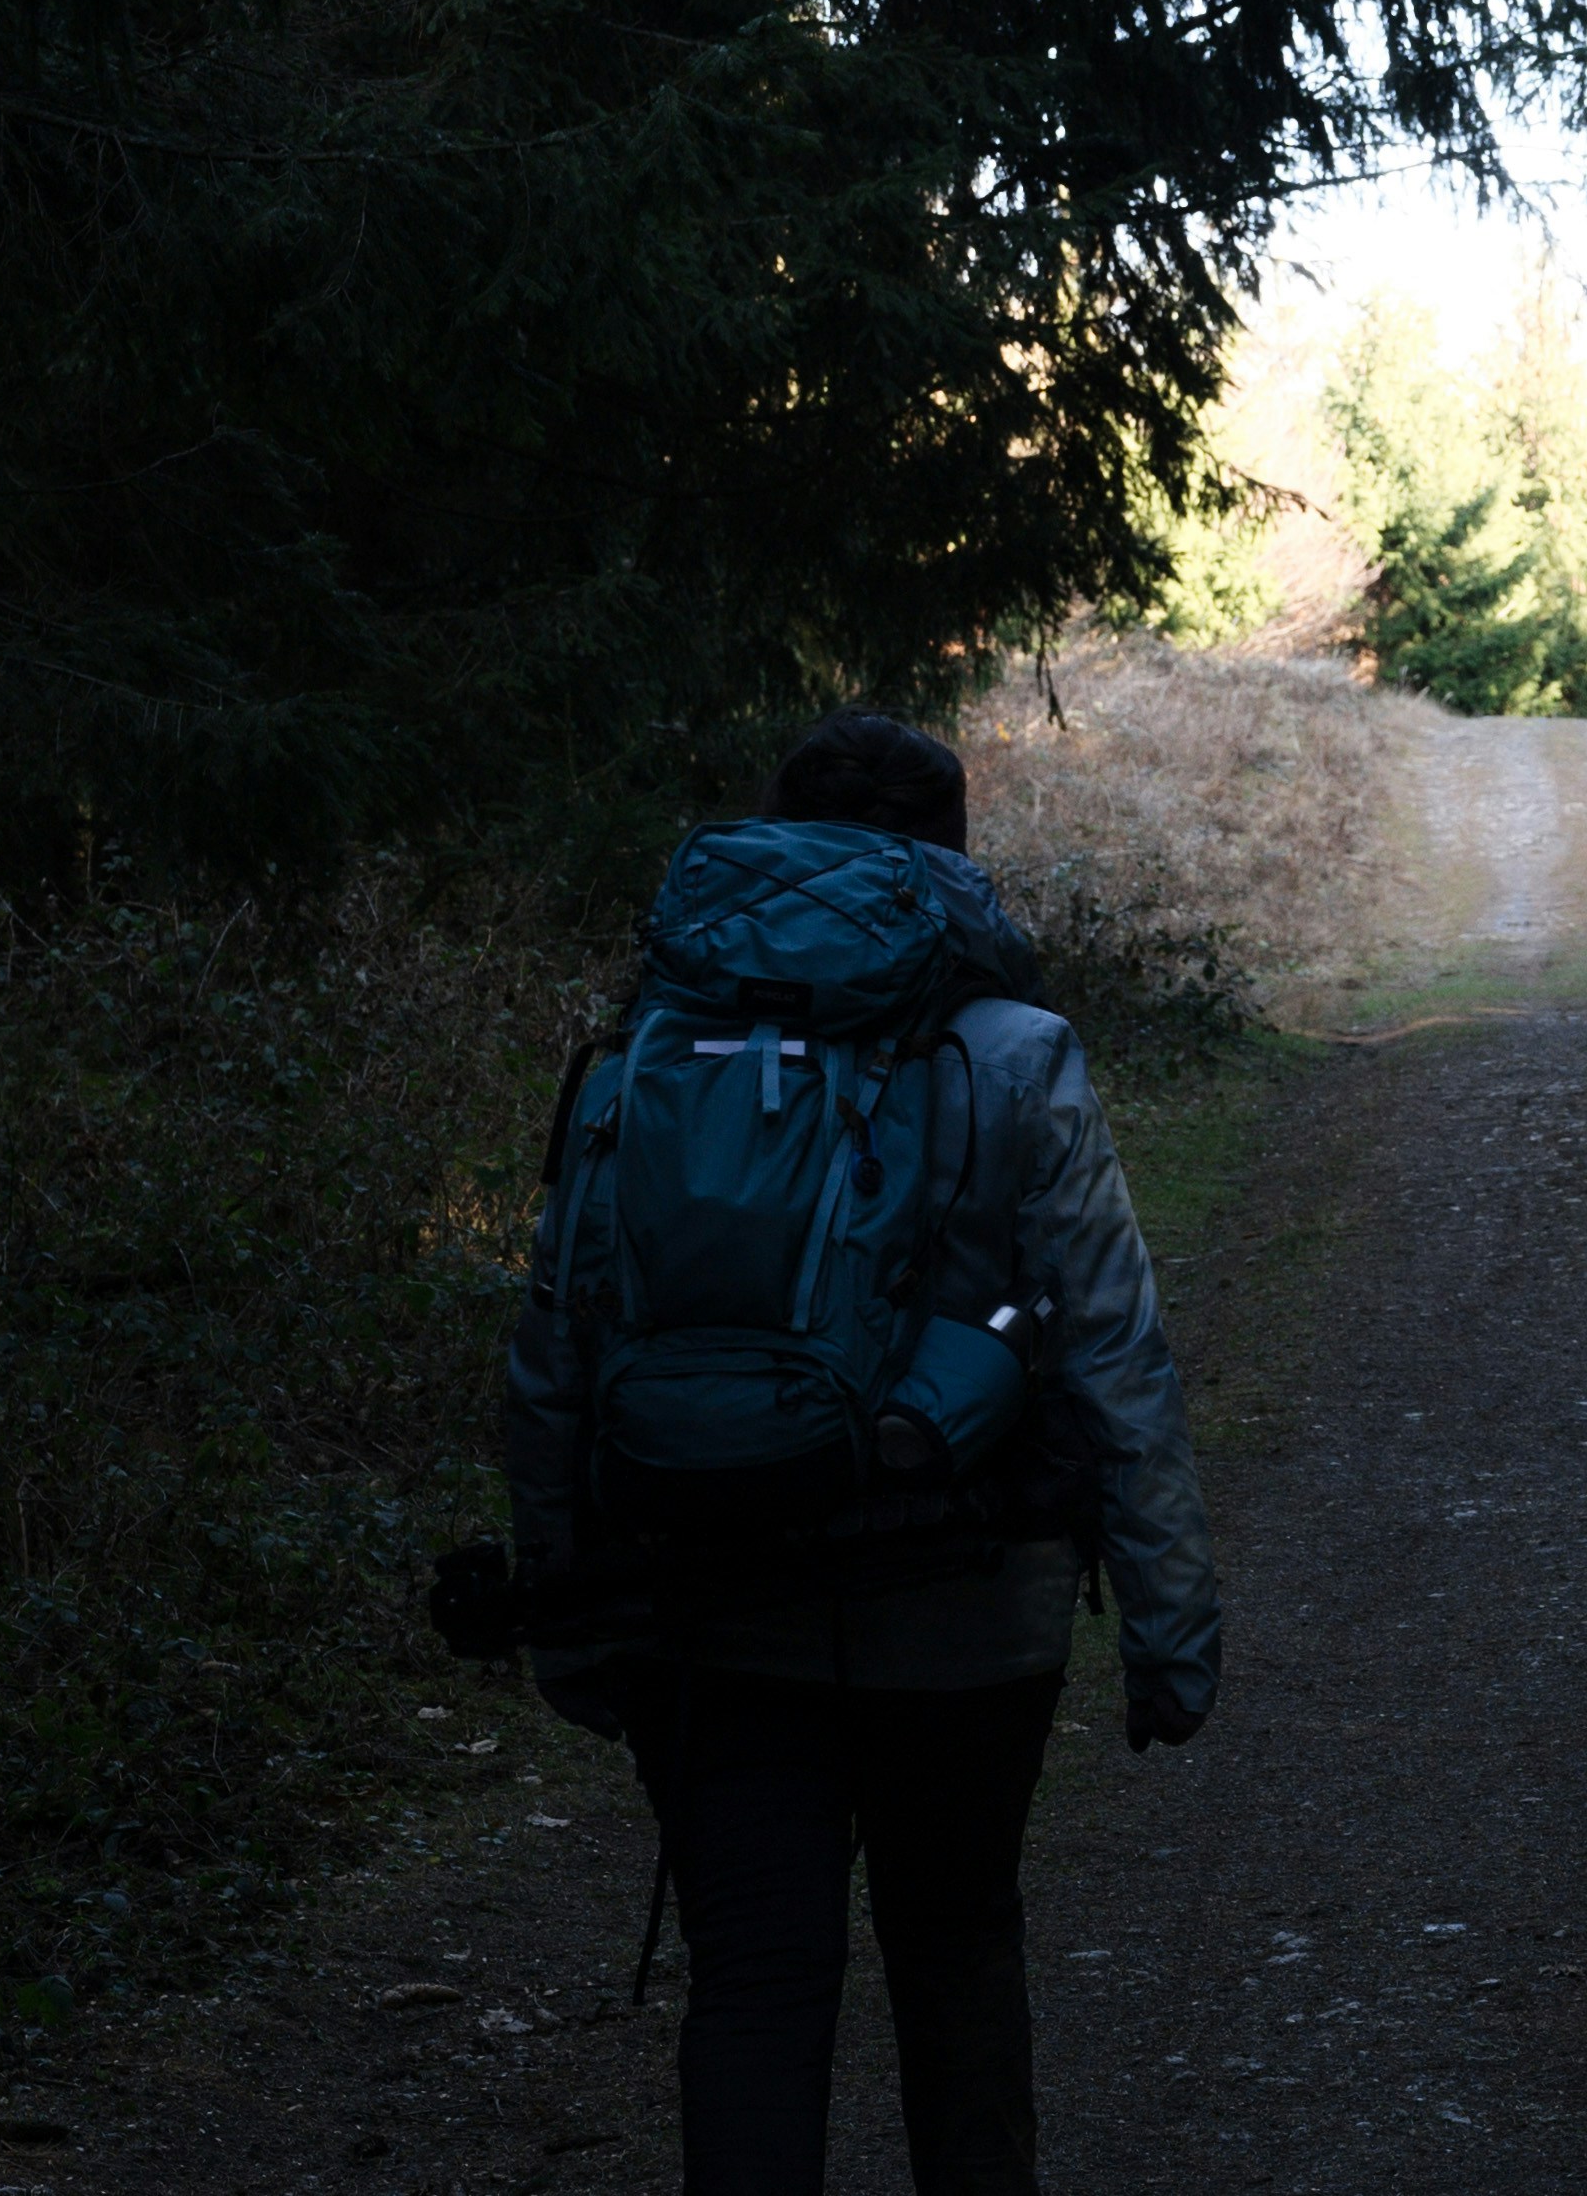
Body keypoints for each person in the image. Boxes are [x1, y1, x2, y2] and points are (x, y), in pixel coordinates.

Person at [501, 707, 1217, 2196]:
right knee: (956, 1953)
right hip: (968, 1614)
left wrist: (565, 1598)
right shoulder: (1019, 1053)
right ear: (950, 859)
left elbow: (559, 1335)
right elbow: (1111, 1348)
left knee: (756, 1987)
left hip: (704, 1599)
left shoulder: (648, 1050)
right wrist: (1168, 1628)